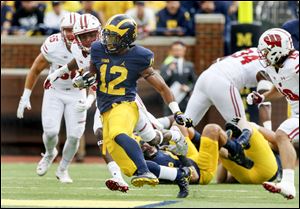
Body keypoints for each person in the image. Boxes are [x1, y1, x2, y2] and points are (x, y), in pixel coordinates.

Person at [86, 14, 193, 188]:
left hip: (125, 104)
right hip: (105, 107)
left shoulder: (139, 56)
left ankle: (146, 171)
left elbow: (162, 87)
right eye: (107, 36)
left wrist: (176, 111)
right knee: (129, 167)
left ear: (126, 39)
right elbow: (92, 71)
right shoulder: (98, 48)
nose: (108, 41)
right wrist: (86, 78)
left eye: (114, 38)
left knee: (119, 133)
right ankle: (179, 175)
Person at [16, 12, 84, 184]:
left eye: (72, 29)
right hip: (54, 90)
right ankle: (49, 153)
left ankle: (63, 169)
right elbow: (36, 69)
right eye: (66, 30)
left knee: (75, 136)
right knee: (51, 131)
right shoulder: (53, 44)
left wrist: (91, 98)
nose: (69, 33)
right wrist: (26, 95)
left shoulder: (88, 44)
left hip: (77, 92)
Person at [247, 28, 299, 199]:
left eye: (266, 52)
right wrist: (262, 97)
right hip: (297, 114)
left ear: (277, 49)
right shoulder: (275, 68)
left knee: (282, 134)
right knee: (281, 136)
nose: (263, 56)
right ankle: (288, 184)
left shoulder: (295, 63)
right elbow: (282, 87)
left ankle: (288, 184)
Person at [184, 47, 265, 127]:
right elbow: (266, 102)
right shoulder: (267, 65)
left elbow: (218, 60)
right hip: (222, 82)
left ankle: (172, 128)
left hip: (205, 76)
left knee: (187, 122)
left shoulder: (254, 50)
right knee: (240, 123)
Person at [217, 118, 282, 184]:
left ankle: (233, 147)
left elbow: (220, 180)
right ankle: (234, 147)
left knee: (222, 147)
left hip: (252, 175)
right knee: (246, 126)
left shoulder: (266, 146)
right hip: (267, 173)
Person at [160, 41, 197, 114]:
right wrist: (169, 70)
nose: (177, 52)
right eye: (175, 50)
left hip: (184, 99)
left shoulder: (189, 65)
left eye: (179, 50)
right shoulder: (166, 65)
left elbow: (194, 81)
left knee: (185, 122)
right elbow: (161, 81)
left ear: (184, 50)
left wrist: (188, 87)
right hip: (170, 99)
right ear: (171, 51)